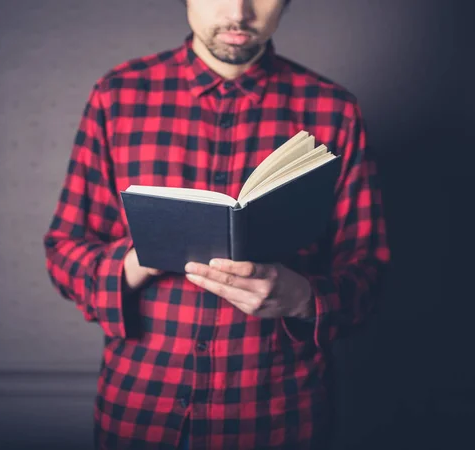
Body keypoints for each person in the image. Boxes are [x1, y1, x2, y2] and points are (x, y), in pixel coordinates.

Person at [43, 0, 390, 449]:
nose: (240, 11)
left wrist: (303, 297)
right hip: (141, 407)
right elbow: (63, 249)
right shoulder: (118, 95)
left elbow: (368, 271)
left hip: (279, 416)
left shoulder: (334, 110)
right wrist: (139, 259)